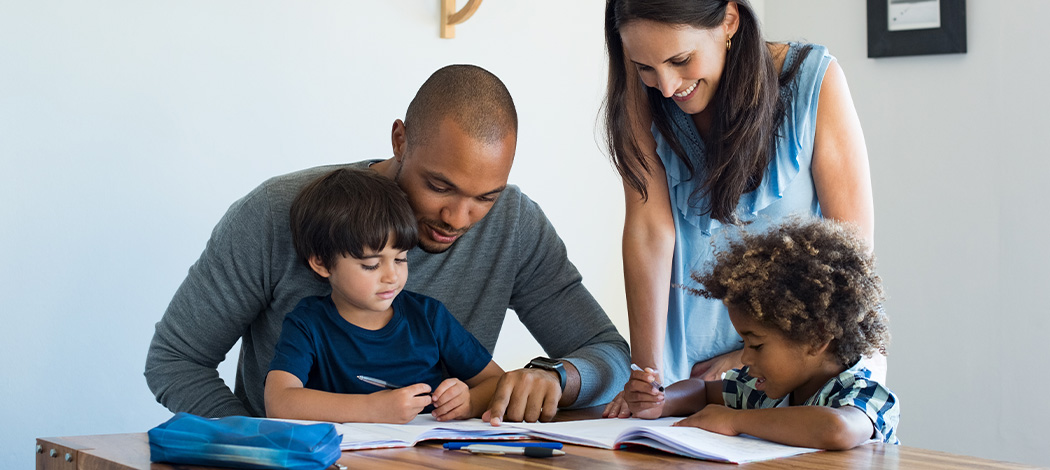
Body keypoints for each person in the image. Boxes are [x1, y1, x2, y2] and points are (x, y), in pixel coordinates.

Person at [145, 64, 630, 424]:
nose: (458, 219)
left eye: (485, 197)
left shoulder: (514, 224)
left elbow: (607, 353)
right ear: (400, 139)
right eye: (439, 187)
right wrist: (259, 445)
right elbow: (176, 360)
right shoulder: (277, 212)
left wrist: (557, 377)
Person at [600, 0, 879, 417]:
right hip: (685, 370)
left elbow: (852, 256)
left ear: (729, 20)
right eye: (645, 67)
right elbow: (649, 232)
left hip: (803, 368)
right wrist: (648, 375)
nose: (667, 85)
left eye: (681, 60)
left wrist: (749, 358)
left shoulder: (814, 80)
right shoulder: (642, 94)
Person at [623, 218, 899, 449]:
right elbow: (703, 391)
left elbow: (836, 429)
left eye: (756, 345)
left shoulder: (863, 392)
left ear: (816, 338)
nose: (744, 358)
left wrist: (734, 420)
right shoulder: (764, 389)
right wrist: (662, 401)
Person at [264, 168, 504, 424]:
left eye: (400, 259)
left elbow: (497, 381)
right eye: (371, 265)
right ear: (322, 263)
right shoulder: (307, 324)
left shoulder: (429, 316)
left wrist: (469, 402)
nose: (392, 276)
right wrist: (372, 409)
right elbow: (279, 401)